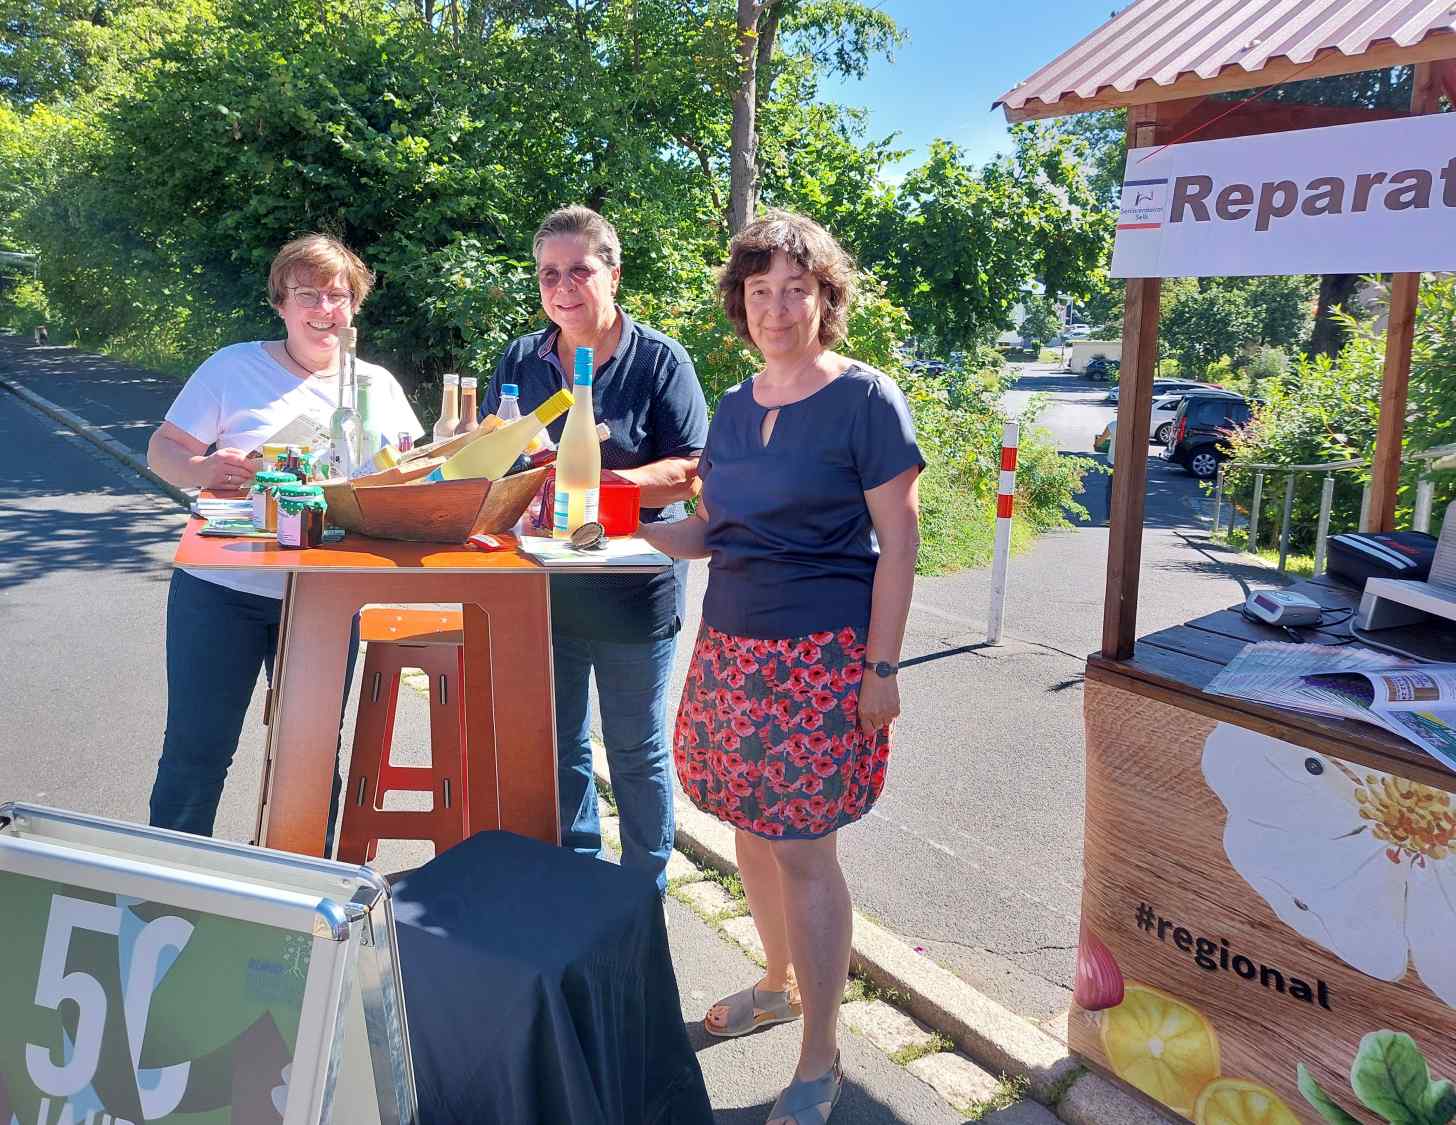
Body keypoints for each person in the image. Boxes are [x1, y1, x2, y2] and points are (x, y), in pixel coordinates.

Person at [639, 211, 922, 1125]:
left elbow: (901, 540)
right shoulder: (731, 405)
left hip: (822, 656)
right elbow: (711, 531)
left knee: (804, 849)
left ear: (825, 296)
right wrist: (618, 533)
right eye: (760, 290)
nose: (777, 306)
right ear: (741, 301)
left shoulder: (865, 398)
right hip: (730, 646)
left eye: (796, 287)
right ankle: (776, 982)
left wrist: (883, 666)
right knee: (750, 833)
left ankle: (821, 1054)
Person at [146, 234, 423, 847]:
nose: (324, 308)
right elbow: (164, 449)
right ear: (280, 302)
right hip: (221, 589)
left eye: (339, 295)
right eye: (308, 294)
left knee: (312, 752)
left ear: (355, 307)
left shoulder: (375, 385)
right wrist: (202, 471)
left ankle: (301, 893)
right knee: (197, 747)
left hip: (326, 596)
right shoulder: (232, 366)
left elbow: (409, 474)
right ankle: (164, 888)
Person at [481, 205, 708, 894]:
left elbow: (693, 469)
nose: (563, 286)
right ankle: (579, 878)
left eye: (579, 269)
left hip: (635, 587)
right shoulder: (522, 358)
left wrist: (606, 485)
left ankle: (644, 891)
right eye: (549, 273)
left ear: (613, 272)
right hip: (544, 587)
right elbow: (499, 452)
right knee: (558, 746)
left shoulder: (659, 360)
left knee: (636, 751)